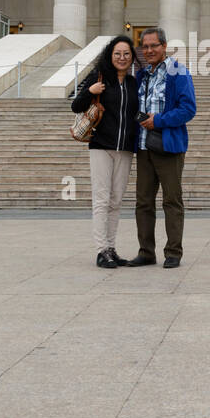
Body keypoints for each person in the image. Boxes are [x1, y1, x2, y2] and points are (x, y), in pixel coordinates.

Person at [127, 27, 197, 269]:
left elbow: (188, 109)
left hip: (168, 147)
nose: (149, 50)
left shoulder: (179, 72)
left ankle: (173, 252)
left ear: (164, 46)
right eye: (145, 46)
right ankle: (146, 251)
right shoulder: (142, 74)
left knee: (171, 201)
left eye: (153, 46)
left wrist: (158, 120)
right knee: (143, 202)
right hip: (144, 146)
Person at [70, 36, 140, 268]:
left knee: (116, 200)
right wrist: (90, 91)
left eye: (126, 54)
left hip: (125, 148)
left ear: (132, 57)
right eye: (118, 53)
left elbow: (134, 113)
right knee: (102, 199)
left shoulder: (133, 83)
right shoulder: (99, 78)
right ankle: (101, 250)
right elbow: (76, 106)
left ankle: (111, 247)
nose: (122, 58)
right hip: (101, 146)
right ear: (110, 55)